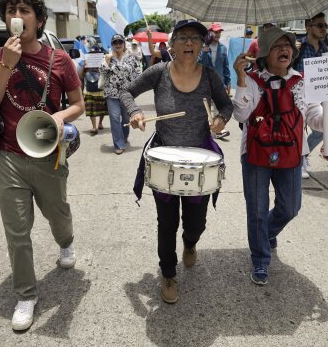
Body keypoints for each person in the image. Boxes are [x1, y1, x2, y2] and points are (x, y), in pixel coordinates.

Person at [0, 0, 85, 331]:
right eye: (11, 10)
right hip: (10, 156)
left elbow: (78, 105)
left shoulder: (60, 60)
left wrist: (61, 117)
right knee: (17, 231)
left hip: (49, 155)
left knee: (57, 213)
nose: (17, 15)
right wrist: (6, 67)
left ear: (39, 20)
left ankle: (66, 242)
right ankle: (26, 294)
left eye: (25, 10)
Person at [120, 19, 233, 304]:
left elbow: (227, 104)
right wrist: (134, 112)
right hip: (164, 158)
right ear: (171, 45)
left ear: (202, 46)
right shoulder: (159, 73)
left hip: (201, 159)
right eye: (182, 38)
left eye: (196, 38)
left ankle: (191, 242)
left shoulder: (209, 77)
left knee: (196, 222)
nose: (189, 43)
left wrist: (220, 119)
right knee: (166, 223)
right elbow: (125, 92)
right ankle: (168, 273)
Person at [232, 27, 328, 286]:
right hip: (254, 154)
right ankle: (260, 259)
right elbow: (240, 117)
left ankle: (266, 234)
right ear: (264, 53)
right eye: (277, 45)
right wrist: (240, 80)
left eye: (288, 45)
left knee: (290, 208)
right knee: (257, 211)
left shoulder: (304, 82)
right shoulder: (250, 79)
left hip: (292, 154)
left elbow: (316, 120)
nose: (285, 49)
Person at [293, 13, 328, 178]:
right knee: (298, 130)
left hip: (317, 95)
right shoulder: (298, 46)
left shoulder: (325, 49)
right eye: (320, 25)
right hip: (298, 94)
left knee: (325, 128)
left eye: (325, 26)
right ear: (308, 27)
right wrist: (293, 51)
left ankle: (303, 156)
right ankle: (298, 162)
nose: (324, 29)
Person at [100, 33, 141, 154]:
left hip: (126, 94)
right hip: (111, 93)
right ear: (112, 45)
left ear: (124, 44)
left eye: (120, 42)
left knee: (126, 119)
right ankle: (118, 144)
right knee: (114, 118)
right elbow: (103, 73)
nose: (118, 44)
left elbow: (136, 75)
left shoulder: (131, 58)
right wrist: (107, 60)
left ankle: (123, 137)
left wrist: (135, 91)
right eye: (115, 43)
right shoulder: (107, 57)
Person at [199, 22, 232, 139]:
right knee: (205, 106)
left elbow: (226, 66)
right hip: (204, 81)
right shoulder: (202, 47)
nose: (218, 34)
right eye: (215, 32)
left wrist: (228, 82)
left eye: (219, 32)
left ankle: (218, 129)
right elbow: (199, 64)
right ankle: (204, 129)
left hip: (219, 82)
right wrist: (204, 52)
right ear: (210, 32)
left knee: (218, 106)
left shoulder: (223, 48)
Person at [83, 44, 108, 135]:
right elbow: (81, 75)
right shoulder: (86, 62)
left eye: (96, 53)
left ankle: (100, 123)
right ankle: (94, 126)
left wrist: (100, 69)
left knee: (102, 108)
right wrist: (84, 67)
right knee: (91, 109)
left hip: (100, 88)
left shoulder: (104, 61)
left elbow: (107, 73)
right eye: (92, 53)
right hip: (89, 88)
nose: (94, 54)